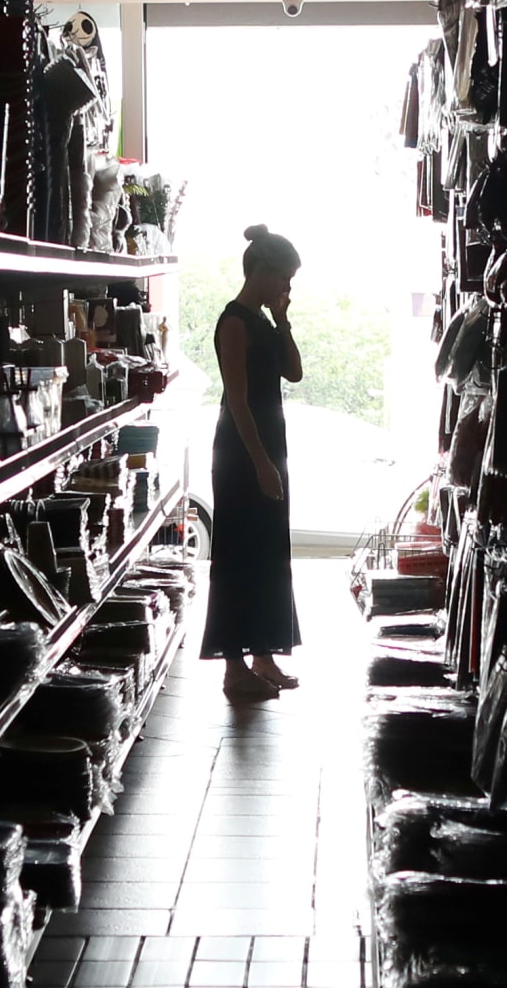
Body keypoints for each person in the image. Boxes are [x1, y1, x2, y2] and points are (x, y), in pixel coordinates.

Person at [200, 223, 305, 700]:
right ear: (261, 271)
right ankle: (233, 667)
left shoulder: (263, 321)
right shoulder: (234, 323)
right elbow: (237, 401)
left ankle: (263, 653)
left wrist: (283, 320)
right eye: (283, 278)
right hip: (242, 451)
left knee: (269, 551)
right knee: (239, 553)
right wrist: (261, 462)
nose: (286, 287)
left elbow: (294, 372)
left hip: (269, 445)